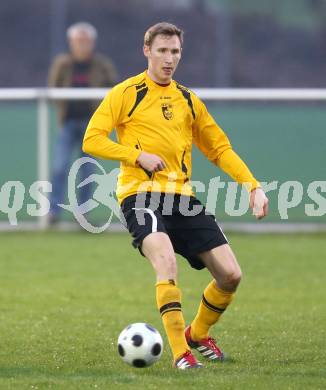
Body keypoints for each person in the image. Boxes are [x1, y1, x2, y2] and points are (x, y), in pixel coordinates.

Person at [82, 22, 268, 369]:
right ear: (147, 51)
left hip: (182, 197)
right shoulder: (126, 93)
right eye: (163, 51)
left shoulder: (187, 100)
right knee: (166, 263)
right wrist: (136, 156)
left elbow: (220, 149)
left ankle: (197, 334)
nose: (169, 59)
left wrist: (253, 186)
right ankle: (181, 353)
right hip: (140, 196)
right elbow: (91, 139)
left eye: (175, 52)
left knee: (230, 275)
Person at [48, 22, 118, 224]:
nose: (82, 45)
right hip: (68, 123)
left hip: (93, 125)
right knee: (60, 166)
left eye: (85, 41)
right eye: (78, 41)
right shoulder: (62, 64)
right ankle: (53, 211)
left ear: (92, 43)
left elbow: (115, 89)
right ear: (71, 43)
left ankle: (83, 213)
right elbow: (53, 88)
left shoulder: (102, 65)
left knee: (88, 169)